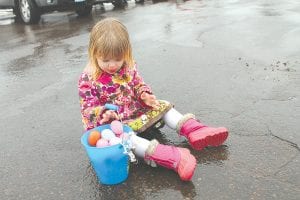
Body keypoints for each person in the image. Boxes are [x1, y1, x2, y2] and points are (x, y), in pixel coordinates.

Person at [78, 18, 228, 181]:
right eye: (105, 60)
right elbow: (87, 108)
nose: (112, 65)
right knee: (125, 139)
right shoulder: (89, 78)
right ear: (94, 53)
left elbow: (137, 84)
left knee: (162, 105)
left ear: (126, 53)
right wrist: (103, 113)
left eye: (118, 59)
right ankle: (172, 157)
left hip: (133, 112)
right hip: (113, 125)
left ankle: (194, 129)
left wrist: (145, 95)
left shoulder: (128, 66)